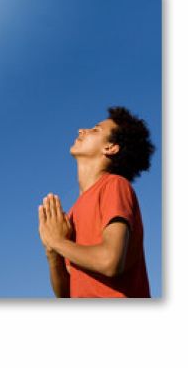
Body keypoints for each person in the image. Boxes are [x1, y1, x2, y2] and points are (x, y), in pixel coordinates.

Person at [38, 106, 155, 298]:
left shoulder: (115, 185)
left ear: (110, 147)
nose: (81, 130)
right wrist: (52, 253)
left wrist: (57, 242)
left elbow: (110, 261)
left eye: (95, 130)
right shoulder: (73, 213)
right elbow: (65, 295)